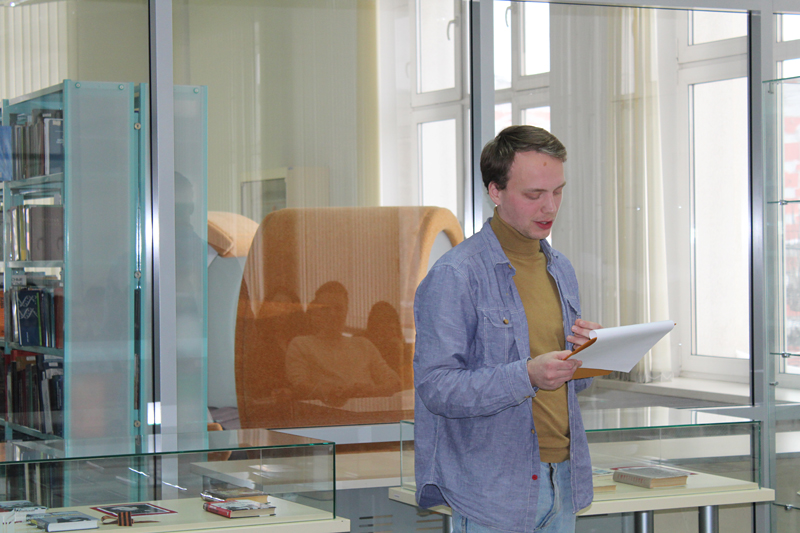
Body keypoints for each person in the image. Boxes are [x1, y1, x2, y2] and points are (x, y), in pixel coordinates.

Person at [413, 125, 602, 533]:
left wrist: (589, 356)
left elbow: (570, 384)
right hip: (494, 491)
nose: (549, 206)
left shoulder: (560, 268)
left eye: (558, 191)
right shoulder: (457, 274)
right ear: (495, 191)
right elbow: (436, 387)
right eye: (534, 195)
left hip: (563, 477)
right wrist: (526, 375)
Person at [286, 281, 402, 406]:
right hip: (326, 415)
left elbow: (394, 382)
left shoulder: (364, 345)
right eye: (325, 308)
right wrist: (330, 392)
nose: (332, 314)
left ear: (346, 311)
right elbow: (299, 386)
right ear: (316, 312)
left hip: (369, 412)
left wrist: (372, 391)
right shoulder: (301, 345)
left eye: (338, 308)